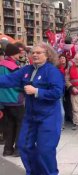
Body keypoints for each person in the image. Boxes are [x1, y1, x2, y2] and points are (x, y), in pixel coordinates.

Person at [0, 42, 64, 175]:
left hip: (49, 117)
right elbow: (8, 80)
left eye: (38, 52)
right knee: (24, 146)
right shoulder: (26, 70)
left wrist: (37, 91)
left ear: (47, 55)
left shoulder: (52, 71)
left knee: (45, 150)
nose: (34, 54)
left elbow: (57, 92)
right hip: (30, 117)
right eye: (32, 52)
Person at [0, 43, 24, 157]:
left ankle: (7, 149)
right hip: (14, 98)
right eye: (17, 53)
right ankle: (18, 149)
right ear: (13, 54)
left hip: (3, 100)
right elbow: (18, 83)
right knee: (21, 123)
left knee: (9, 124)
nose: (19, 55)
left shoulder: (0, 64)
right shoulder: (13, 67)